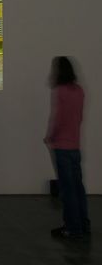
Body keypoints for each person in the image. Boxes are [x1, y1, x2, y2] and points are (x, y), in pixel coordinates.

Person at [44, 56, 90, 239]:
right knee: (78, 188)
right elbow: (78, 117)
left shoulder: (60, 91)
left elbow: (58, 119)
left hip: (62, 147)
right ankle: (83, 224)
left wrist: (50, 137)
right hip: (75, 146)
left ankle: (72, 228)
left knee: (67, 190)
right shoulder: (79, 90)